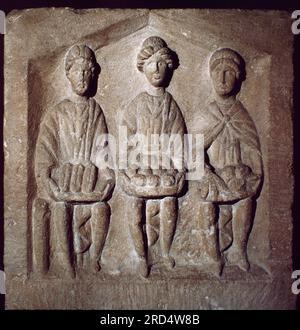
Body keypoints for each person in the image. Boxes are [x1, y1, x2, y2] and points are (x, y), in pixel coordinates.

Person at [32, 45, 115, 277]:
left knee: (101, 208)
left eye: (88, 71)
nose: (82, 76)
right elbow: (44, 157)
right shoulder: (57, 112)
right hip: (64, 186)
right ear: (68, 73)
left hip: (88, 188)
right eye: (77, 70)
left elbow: (103, 152)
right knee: (60, 207)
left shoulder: (95, 110)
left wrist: (106, 181)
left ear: (93, 74)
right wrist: (51, 182)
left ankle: (95, 259)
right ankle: (67, 264)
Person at [119, 36, 186, 277]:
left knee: (169, 203)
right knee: (135, 208)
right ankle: (141, 256)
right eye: (151, 63)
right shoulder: (136, 104)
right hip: (141, 168)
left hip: (164, 168)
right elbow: (126, 141)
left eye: (161, 63)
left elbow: (178, 139)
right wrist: (127, 169)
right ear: (142, 67)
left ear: (168, 67)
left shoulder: (170, 104)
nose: (156, 69)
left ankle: (165, 252)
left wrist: (179, 170)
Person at [197, 48, 263, 272]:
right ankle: (212, 255)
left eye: (229, 72)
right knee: (206, 202)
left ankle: (239, 250)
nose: (223, 78)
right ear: (211, 76)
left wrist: (255, 174)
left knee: (246, 200)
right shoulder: (207, 113)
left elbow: (252, 148)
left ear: (239, 77)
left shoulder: (241, 114)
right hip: (213, 177)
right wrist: (206, 172)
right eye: (218, 72)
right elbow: (193, 149)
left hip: (237, 174)